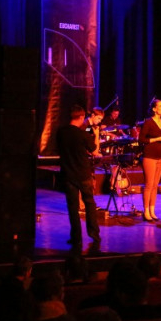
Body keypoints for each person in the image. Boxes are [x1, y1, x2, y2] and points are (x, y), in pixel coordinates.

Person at [56, 104, 101, 254]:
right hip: (83, 174)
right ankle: (94, 234)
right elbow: (94, 150)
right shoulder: (82, 134)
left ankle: (76, 238)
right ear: (81, 117)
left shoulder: (61, 132)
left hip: (68, 174)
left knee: (73, 207)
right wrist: (96, 134)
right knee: (89, 203)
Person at [138, 98, 161, 222]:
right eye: (160, 106)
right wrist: (158, 139)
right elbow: (141, 139)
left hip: (160, 157)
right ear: (154, 109)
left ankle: (152, 210)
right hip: (149, 156)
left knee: (155, 185)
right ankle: (146, 211)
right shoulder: (148, 122)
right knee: (149, 185)